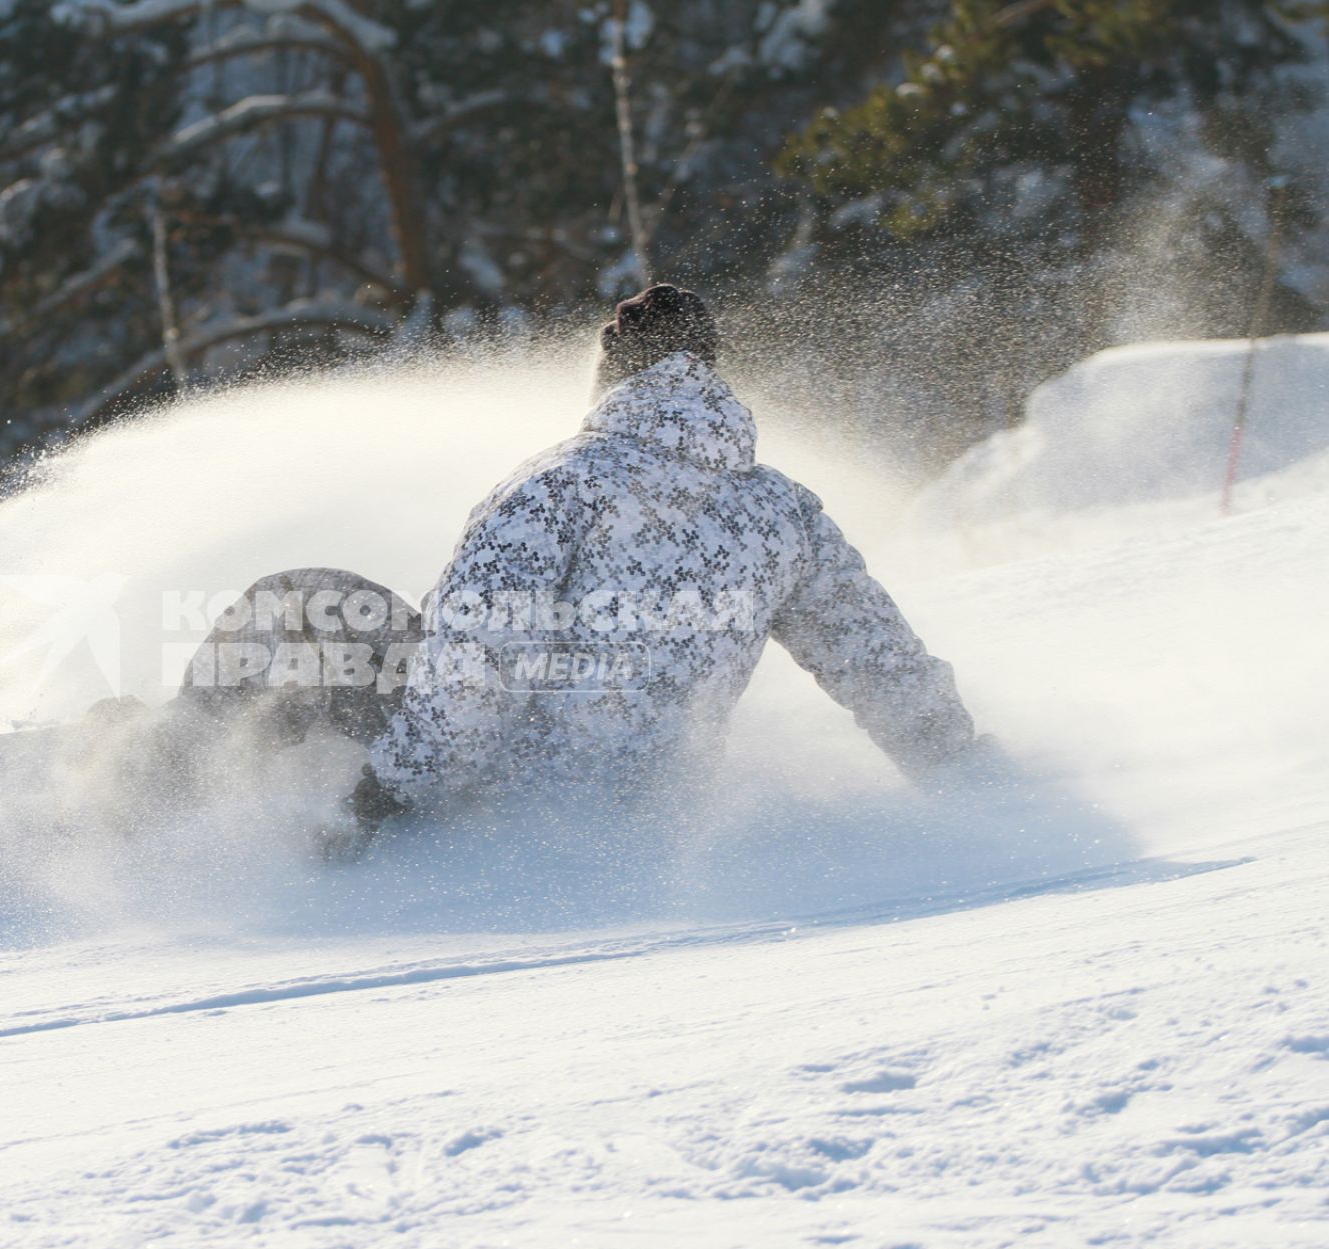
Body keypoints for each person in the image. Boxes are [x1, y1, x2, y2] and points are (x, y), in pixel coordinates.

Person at [332, 284, 982, 850]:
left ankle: (285, 848)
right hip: (661, 809)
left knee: (312, 607)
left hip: (510, 802)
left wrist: (388, 792)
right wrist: (959, 763)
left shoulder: (556, 489)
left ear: (612, 374)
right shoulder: (780, 509)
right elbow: (874, 656)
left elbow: (472, 673)